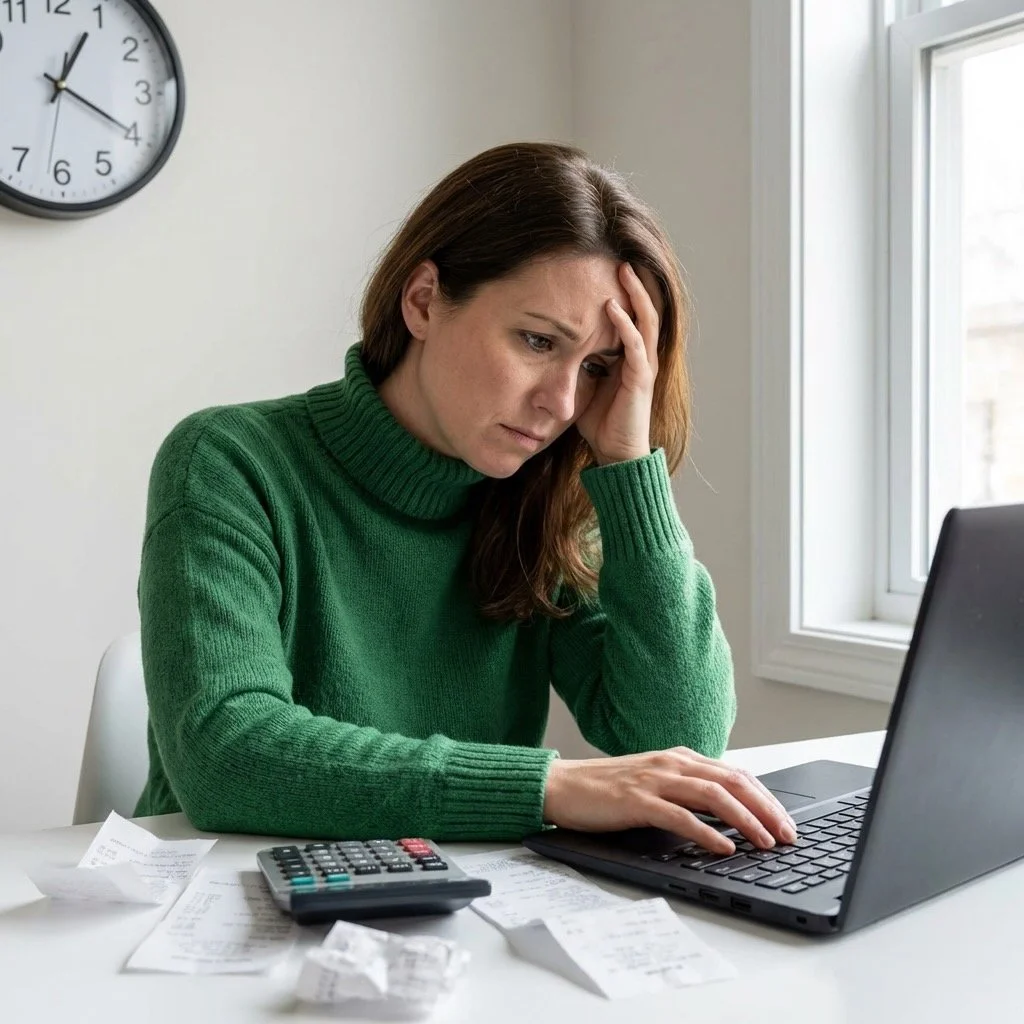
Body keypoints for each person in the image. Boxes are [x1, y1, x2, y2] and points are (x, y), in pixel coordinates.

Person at [134, 141, 797, 857]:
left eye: (599, 367)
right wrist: (548, 788)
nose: (562, 403)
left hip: (457, 909)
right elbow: (226, 754)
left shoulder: (549, 499)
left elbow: (679, 743)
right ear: (423, 301)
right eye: (539, 341)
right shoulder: (231, 461)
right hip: (223, 906)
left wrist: (628, 467)